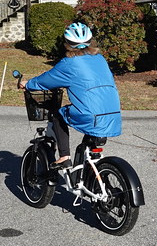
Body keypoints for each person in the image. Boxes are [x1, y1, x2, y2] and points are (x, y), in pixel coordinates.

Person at [18, 22, 122, 170]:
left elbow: (46, 80)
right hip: (113, 113)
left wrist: (27, 84)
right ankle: (87, 177)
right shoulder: (100, 59)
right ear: (90, 41)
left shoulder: (69, 63)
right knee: (88, 143)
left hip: (91, 115)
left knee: (58, 115)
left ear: (67, 43)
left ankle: (64, 157)